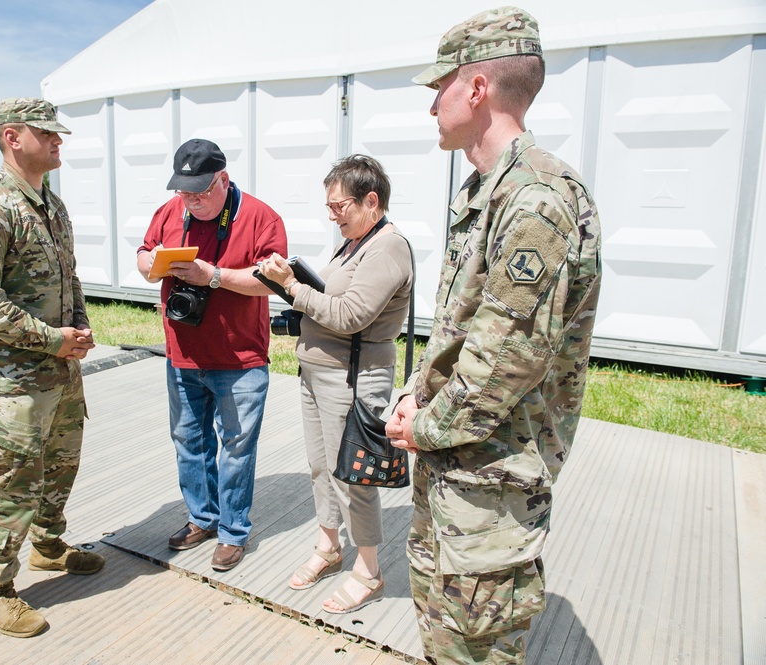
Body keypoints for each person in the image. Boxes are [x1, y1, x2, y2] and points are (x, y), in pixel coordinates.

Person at [384, 7, 603, 663]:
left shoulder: (536, 197)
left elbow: (504, 359)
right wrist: (414, 391)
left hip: (491, 485)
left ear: (476, 88)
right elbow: (463, 327)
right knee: (444, 640)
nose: (431, 107)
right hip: (460, 477)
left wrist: (419, 426)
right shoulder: (489, 190)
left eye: (438, 89)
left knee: (472, 651)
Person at [0, 97, 105, 639]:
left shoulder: (51, 206)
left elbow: (70, 278)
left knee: (61, 464)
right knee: (13, 477)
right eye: (48, 134)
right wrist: (50, 339)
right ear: (12, 136)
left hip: (60, 371)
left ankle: (47, 545)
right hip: (14, 378)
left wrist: (79, 329)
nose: (58, 142)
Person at [259, 154, 413, 614]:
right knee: (321, 467)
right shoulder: (354, 242)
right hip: (319, 373)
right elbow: (332, 298)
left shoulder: (387, 247)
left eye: (338, 205)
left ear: (371, 200)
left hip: (352, 379)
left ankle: (369, 571)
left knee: (353, 477)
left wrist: (293, 287)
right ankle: (329, 546)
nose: (332, 215)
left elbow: (350, 315)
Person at [137, 139, 288, 572]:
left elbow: (272, 282)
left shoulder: (261, 217)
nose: (193, 202)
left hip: (239, 357)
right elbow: (144, 252)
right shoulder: (171, 211)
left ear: (224, 178)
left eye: (202, 193)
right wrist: (149, 264)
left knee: (236, 447)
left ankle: (233, 531)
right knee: (189, 441)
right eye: (185, 193)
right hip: (183, 353)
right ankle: (202, 518)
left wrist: (214, 276)